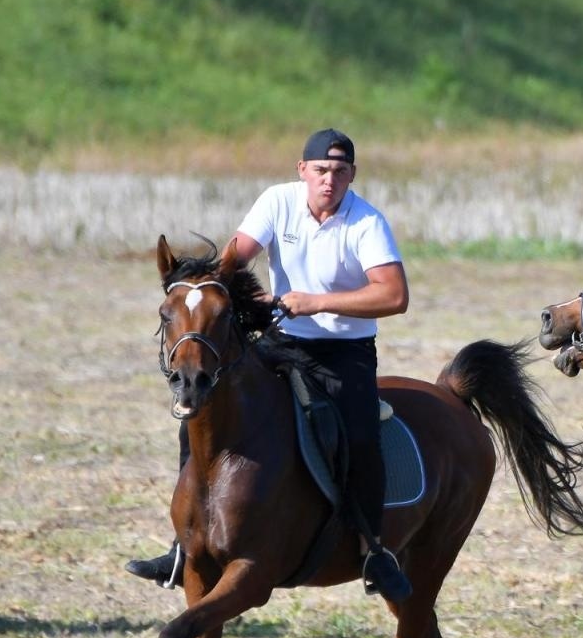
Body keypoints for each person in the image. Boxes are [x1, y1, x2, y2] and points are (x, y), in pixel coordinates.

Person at [126, 128, 414, 603]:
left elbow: (395, 295)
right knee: (201, 405)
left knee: (360, 433)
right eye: (321, 170)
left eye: (340, 172)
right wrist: (235, 295)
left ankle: (373, 550)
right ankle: (185, 546)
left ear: (352, 176)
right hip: (281, 341)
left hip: (344, 354)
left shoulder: (367, 222)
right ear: (302, 171)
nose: (330, 180)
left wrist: (316, 302)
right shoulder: (277, 202)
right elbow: (231, 262)